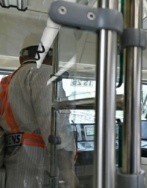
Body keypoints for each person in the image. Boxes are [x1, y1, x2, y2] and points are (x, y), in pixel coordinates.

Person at [0, 34, 78, 188]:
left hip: (14, 170)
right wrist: (69, 174)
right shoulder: (43, 74)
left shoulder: (8, 82)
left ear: (21, 59)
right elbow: (55, 129)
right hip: (37, 171)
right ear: (51, 58)